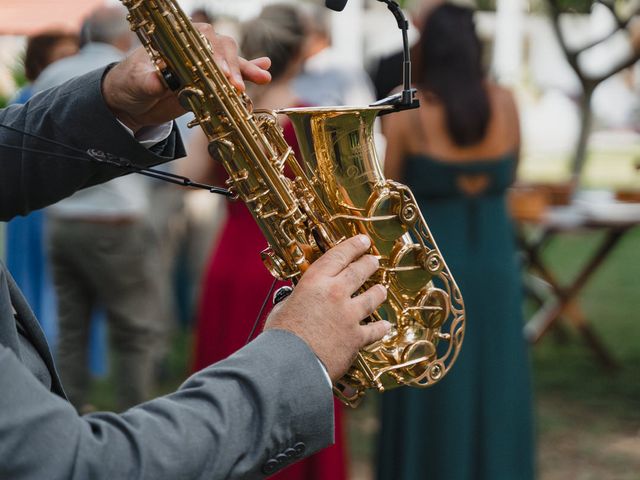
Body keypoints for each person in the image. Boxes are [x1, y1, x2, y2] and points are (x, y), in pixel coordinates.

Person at [0, 20, 390, 479]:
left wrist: (113, 102)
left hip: (236, 253)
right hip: (267, 260)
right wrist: (297, 357)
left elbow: (201, 171)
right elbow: (73, 464)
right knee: (136, 333)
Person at [186, 5, 348, 479]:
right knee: (299, 384)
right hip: (294, 272)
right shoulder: (309, 120)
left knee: (225, 396)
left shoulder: (227, 115)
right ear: (299, 52)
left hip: (230, 261)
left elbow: (190, 174)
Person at [376, 4, 534, 480]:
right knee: (497, 377)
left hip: (431, 267)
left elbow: (388, 197)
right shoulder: (505, 102)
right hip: (495, 261)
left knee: (432, 372)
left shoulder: (405, 109)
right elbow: (512, 175)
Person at [32, 6, 164, 412]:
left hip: (62, 220)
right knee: (135, 329)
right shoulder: (127, 69)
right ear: (125, 38)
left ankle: (68, 415)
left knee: (71, 330)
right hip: (114, 223)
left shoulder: (55, 72)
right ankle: (134, 418)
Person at [5, 30, 79, 343]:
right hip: (31, 208)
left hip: (62, 205)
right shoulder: (24, 100)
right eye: (62, 57)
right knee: (30, 274)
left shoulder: (73, 100)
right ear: (40, 61)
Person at [294, 1, 376, 107]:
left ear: (320, 34)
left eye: (302, 33)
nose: (296, 39)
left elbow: (364, 115)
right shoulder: (295, 68)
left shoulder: (345, 70)